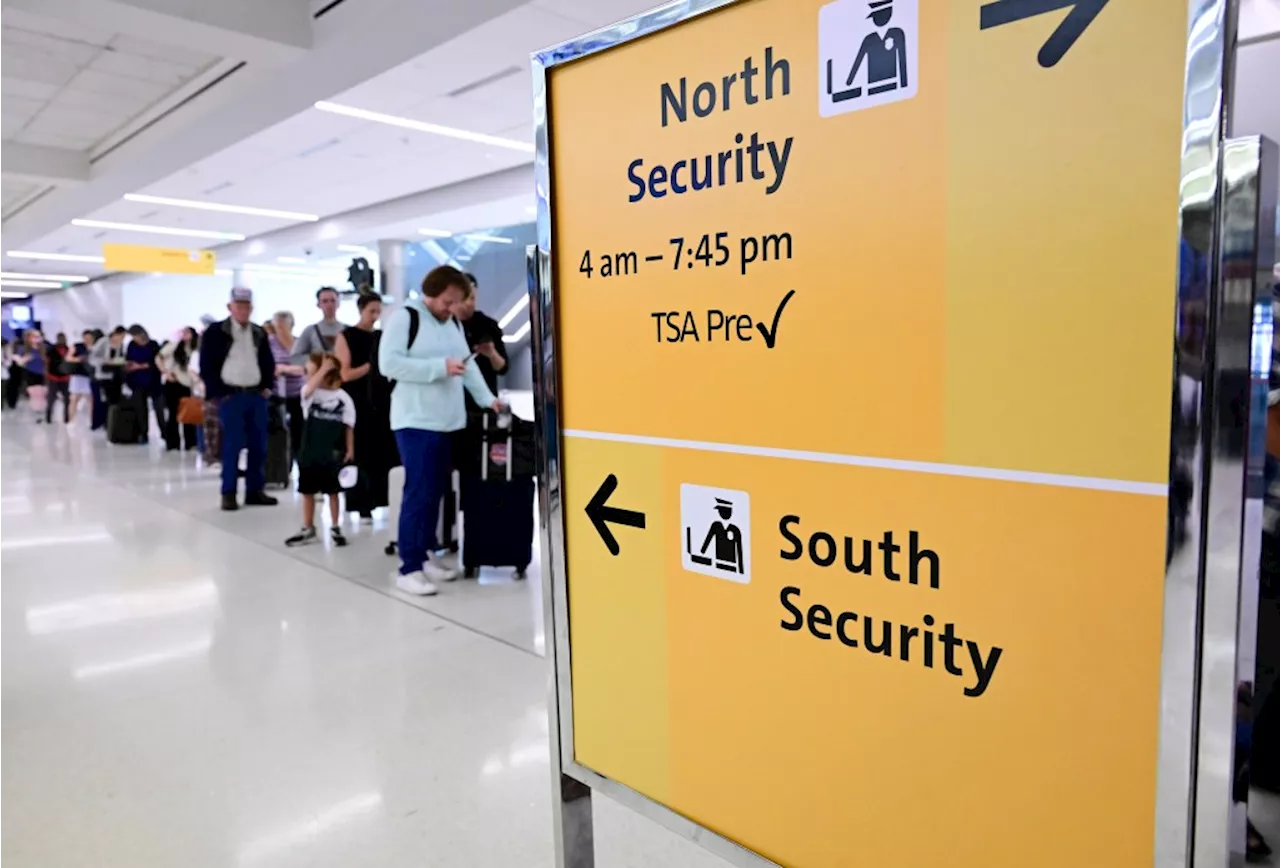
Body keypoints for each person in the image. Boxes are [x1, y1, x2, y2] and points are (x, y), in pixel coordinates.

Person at [379, 265, 507, 596]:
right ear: (432, 292)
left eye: (455, 303)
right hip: (415, 421)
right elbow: (388, 365)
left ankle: (426, 553)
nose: (451, 309)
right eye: (447, 301)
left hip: (448, 421)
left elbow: (467, 367)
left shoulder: (450, 322)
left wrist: (488, 400)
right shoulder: (405, 318)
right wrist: (438, 368)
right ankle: (408, 566)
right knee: (418, 492)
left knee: (436, 492)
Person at [198, 288, 280, 512]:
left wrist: (266, 387)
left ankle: (255, 490)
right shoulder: (216, 332)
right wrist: (219, 393)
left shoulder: (258, 333)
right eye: (239, 305)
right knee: (232, 445)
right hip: (230, 396)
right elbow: (206, 366)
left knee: (258, 445)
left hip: (256, 395)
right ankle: (229, 492)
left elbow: (268, 362)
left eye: (247, 306)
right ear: (230, 307)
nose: (243, 310)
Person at [285, 353, 355, 548]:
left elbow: (349, 425)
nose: (309, 377)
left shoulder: (343, 398)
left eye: (312, 372)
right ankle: (308, 526)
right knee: (307, 491)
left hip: (332, 452)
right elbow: (307, 390)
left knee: (333, 491)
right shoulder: (310, 395)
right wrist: (323, 368)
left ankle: (335, 526)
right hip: (310, 450)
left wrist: (350, 449)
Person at [334, 292, 386, 522]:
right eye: (371, 311)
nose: (375, 316)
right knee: (359, 452)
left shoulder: (381, 336)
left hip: (380, 399)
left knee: (380, 451)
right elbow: (344, 373)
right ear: (361, 310)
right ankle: (361, 503)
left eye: (378, 311)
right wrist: (371, 365)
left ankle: (381, 498)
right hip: (356, 400)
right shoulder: (347, 336)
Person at [458, 274, 509, 409]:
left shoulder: (488, 325)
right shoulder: (446, 325)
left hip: (484, 404)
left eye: (472, 298)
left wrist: (492, 354)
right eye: (464, 298)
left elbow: (503, 368)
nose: (468, 303)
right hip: (454, 402)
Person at [268, 311, 306, 464]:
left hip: (298, 393)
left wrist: (284, 368)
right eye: (277, 327)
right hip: (276, 394)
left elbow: (306, 367)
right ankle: (281, 466)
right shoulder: (269, 343)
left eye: (284, 326)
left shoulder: (299, 343)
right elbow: (268, 366)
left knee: (298, 432)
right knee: (278, 431)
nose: (281, 330)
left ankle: (299, 461)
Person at [159, 327, 200, 451]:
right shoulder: (174, 346)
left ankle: (190, 442)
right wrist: (166, 372)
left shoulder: (195, 348)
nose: (185, 336)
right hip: (174, 382)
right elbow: (159, 357)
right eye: (184, 333)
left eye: (188, 333)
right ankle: (172, 443)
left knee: (189, 413)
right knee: (173, 414)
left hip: (188, 384)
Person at [125, 325, 165, 443]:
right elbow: (128, 359)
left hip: (153, 379)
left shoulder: (153, 345)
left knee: (159, 408)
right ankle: (143, 433)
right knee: (141, 409)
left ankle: (164, 432)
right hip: (137, 381)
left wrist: (141, 365)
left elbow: (156, 361)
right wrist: (130, 366)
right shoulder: (131, 345)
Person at [291, 287, 345, 363]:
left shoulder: (348, 331)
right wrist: (318, 360)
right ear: (318, 304)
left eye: (333, 301)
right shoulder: (310, 331)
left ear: (338, 303)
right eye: (325, 301)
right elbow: (295, 357)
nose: (329, 305)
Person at [92, 327, 128, 422]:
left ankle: (114, 424)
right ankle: (107, 423)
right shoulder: (103, 342)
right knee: (107, 401)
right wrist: (105, 361)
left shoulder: (121, 345)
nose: (123, 338)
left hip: (116, 375)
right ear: (116, 333)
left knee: (116, 401)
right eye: (122, 335)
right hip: (104, 375)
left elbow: (121, 358)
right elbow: (92, 358)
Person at [65, 330, 95, 425]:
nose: (87, 340)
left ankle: (92, 421)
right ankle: (71, 420)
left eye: (89, 338)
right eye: (86, 338)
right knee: (74, 399)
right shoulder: (77, 346)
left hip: (89, 376)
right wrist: (78, 359)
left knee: (91, 400)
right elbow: (68, 358)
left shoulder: (95, 347)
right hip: (78, 376)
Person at [42, 332, 71, 425]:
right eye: (60, 338)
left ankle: (66, 418)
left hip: (65, 378)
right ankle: (48, 417)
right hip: (53, 377)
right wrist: (46, 373)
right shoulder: (51, 350)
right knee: (51, 398)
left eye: (63, 338)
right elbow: (46, 362)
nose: (62, 340)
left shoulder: (69, 349)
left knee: (67, 399)